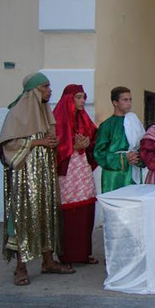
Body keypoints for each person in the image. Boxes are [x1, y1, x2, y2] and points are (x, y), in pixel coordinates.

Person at [0, 72, 76, 286]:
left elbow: (49, 139)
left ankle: (48, 262)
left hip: (44, 175)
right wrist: (36, 143)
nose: (50, 90)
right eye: (45, 87)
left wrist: (53, 142)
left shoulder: (44, 112)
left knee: (46, 213)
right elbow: (7, 147)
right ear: (33, 91)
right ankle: (20, 268)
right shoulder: (16, 114)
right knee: (23, 216)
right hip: (24, 177)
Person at [53, 84, 99, 265]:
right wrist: (73, 146)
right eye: (78, 97)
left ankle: (83, 253)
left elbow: (94, 138)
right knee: (69, 212)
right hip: (67, 172)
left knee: (86, 209)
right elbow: (55, 146)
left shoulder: (84, 118)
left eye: (83, 97)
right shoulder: (58, 119)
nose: (83, 101)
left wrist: (87, 144)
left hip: (83, 170)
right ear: (69, 99)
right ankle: (67, 256)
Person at [94, 87, 146, 193]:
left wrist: (138, 157)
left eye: (130, 99)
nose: (129, 103)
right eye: (125, 100)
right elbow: (99, 153)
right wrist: (124, 158)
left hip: (133, 171)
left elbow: (143, 145)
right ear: (115, 102)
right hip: (114, 176)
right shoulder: (106, 125)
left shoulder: (134, 122)